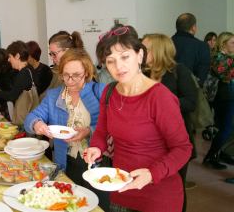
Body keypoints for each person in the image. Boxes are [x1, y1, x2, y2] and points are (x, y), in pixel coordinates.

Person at [85, 26, 192, 212]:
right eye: (111, 61)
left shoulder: (159, 97)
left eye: (125, 57)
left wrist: (152, 174)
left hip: (158, 196)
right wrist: (96, 147)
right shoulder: (109, 92)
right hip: (121, 190)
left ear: (140, 55)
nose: (119, 67)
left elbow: (183, 149)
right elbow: (102, 131)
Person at [24, 48, 108, 209]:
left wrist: (88, 131)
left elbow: (111, 126)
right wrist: (37, 124)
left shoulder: (100, 91)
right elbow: (31, 117)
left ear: (87, 72)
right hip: (67, 162)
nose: (70, 81)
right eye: (65, 75)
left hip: (98, 162)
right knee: (70, 203)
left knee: (98, 206)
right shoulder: (54, 95)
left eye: (76, 75)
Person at [142, 33, 197, 212]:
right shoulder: (143, 74)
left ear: (158, 51)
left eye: (145, 49)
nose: (139, 52)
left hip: (175, 141)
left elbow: (191, 102)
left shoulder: (179, 71)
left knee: (175, 185)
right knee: (154, 183)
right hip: (150, 141)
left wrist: (162, 103)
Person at [0, 41, 38, 124]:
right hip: (28, 115)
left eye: (10, 57)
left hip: (27, 117)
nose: (8, 60)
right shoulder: (27, 69)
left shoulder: (24, 73)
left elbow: (12, 95)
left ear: (17, 56)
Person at [203, 32, 234, 170]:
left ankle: (219, 153)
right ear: (223, 44)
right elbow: (225, 77)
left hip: (226, 96)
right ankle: (211, 156)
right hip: (224, 97)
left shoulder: (227, 58)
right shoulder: (218, 58)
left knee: (226, 128)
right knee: (226, 129)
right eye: (232, 42)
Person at [171, 12, 210, 86]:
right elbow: (202, 75)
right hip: (191, 91)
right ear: (193, 27)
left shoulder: (166, 43)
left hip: (167, 91)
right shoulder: (202, 46)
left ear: (177, 27)